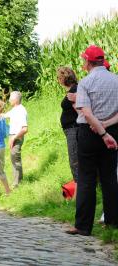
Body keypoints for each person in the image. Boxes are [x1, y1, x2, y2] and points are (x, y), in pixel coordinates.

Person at [66, 45, 118, 236]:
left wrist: (100, 131)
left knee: (87, 178)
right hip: (113, 131)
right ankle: (112, 223)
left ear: (88, 61)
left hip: (90, 133)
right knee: (109, 177)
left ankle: (82, 226)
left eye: (83, 60)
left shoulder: (86, 83)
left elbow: (86, 113)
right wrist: (106, 126)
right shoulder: (116, 80)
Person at [57, 67, 79, 198]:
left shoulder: (75, 90)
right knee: (75, 160)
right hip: (71, 130)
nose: (58, 80)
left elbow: (80, 110)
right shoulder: (73, 90)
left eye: (59, 77)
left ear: (64, 78)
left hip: (74, 130)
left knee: (75, 161)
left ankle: (78, 193)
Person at [4, 91, 28, 188]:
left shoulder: (21, 111)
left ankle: (17, 184)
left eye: (10, 98)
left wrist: (14, 137)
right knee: (13, 159)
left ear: (15, 100)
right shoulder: (14, 109)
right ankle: (17, 182)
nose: (9, 100)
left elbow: (25, 129)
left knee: (15, 159)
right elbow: (3, 116)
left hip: (16, 137)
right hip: (12, 137)